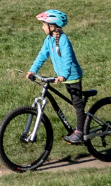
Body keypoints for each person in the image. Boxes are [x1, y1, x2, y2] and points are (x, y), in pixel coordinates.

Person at [25, 9, 88, 144]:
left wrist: (63, 76)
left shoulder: (63, 40)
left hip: (72, 76)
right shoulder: (49, 40)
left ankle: (80, 133)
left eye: (43, 25)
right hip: (63, 77)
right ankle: (82, 124)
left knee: (77, 104)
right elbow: (42, 55)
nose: (42, 28)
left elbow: (67, 59)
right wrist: (33, 70)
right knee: (73, 101)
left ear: (52, 27)